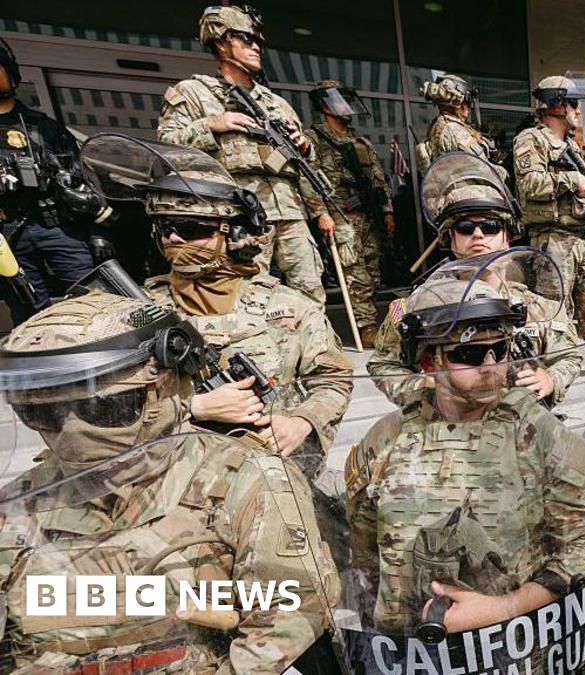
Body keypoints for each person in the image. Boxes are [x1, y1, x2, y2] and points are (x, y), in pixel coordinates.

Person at [0, 290, 339, 673]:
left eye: (105, 408)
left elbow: (291, 612)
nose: (72, 432)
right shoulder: (21, 506)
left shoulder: (244, 481)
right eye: (40, 414)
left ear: (168, 386)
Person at [344, 275, 585, 634]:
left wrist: (507, 607)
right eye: (470, 353)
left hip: (509, 647)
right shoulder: (385, 440)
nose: (491, 366)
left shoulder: (536, 434)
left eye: (500, 350)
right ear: (430, 362)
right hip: (409, 653)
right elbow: (363, 552)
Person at [79, 135, 354, 477]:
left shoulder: (288, 307)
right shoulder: (135, 312)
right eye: (164, 228)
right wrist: (193, 407)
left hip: (274, 477)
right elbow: (97, 409)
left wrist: (301, 421)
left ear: (234, 235)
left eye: (191, 229)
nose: (172, 239)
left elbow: (334, 378)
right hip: (175, 480)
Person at [369, 151, 583, 406]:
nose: (478, 235)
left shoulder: (538, 307)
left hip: (521, 429)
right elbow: (383, 364)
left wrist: (551, 378)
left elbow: (571, 353)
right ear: (452, 238)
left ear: (507, 237)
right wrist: (426, 391)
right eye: (466, 228)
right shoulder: (422, 305)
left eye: (491, 227)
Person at [158, 5, 332, 303]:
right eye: (245, 39)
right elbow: (167, 147)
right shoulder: (195, 93)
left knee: (311, 291)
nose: (255, 47)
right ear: (220, 41)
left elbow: (304, 166)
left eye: (258, 42)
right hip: (240, 214)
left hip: (289, 210)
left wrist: (319, 208)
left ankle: (315, 347)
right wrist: (212, 124)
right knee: (248, 295)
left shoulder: (275, 103)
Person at [0, 37, 113, 323]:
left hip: (58, 226)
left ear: (10, 73)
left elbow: (83, 181)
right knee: (29, 316)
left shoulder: (42, 127)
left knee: (94, 301)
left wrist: (97, 234)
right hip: (8, 237)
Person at [513, 75, 585, 374]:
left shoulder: (571, 146)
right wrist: (573, 180)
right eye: (573, 104)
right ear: (556, 105)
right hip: (553, 238)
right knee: (554, 307)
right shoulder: (532, 139)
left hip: (581, 236)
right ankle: (554, 365)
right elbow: (529, 184)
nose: (578, 111)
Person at [305, 79, 394, 343]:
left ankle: (371, 320)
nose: (346, 106)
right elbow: (307, 179)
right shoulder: (315, 139)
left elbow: (379, 179)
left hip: (368, 215)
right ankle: (365, 328)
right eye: (339, 100)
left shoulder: (360, 141)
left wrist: (387, 211)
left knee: (373, 272)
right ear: (325, 105)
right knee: (355, 273)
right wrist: (320, 212)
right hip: (340, 215)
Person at [417, 73, 495, 173]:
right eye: (467, 103)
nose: (468, 108)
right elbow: (482, 167)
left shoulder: (438, 125)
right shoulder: (453, 129)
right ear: (460, 104)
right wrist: (503, 172)